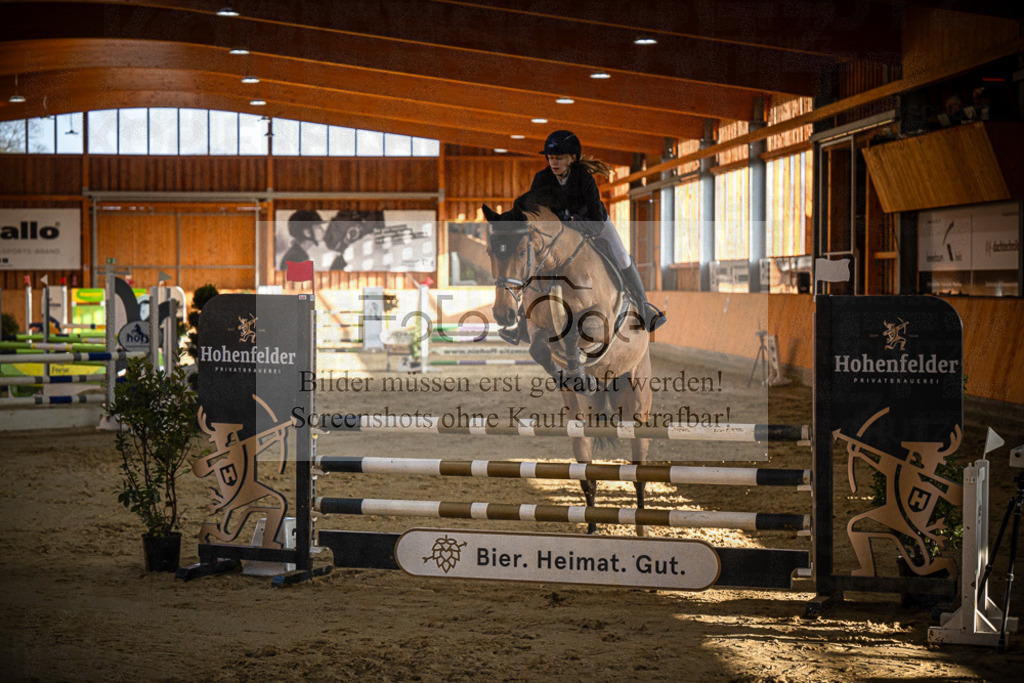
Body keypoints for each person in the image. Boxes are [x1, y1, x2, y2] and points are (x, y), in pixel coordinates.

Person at [529, 130, 666, 333]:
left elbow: (596, 223)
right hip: (559, 234)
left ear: (572, 158)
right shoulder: (541, 179)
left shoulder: (584, 179)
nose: (553, 163)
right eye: (550, 158)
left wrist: (572, 221)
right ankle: (524, 318)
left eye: (559, 158)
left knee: (621, 255)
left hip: (594, 224)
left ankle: (644, 307)